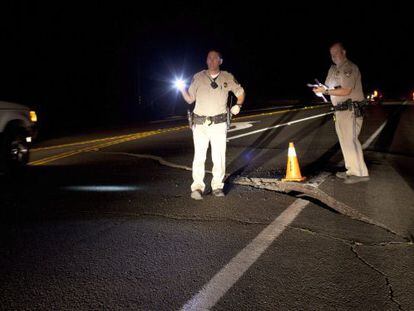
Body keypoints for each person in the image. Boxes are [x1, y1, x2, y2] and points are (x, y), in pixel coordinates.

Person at [179, 50, 245, 200]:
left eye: (215, 58)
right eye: (209, 58)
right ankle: (197, 187)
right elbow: (190, 99)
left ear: (220, 61)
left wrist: (238, 105)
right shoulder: (198, 77)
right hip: (200, 124)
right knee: (199, 156)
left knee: (219, 156)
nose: (212, 60)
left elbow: (240, 93)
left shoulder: (227, 77)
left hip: (219, 123)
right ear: (206, 60)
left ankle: (217, 186)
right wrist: (182, 89)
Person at [313, 42, 369, 184]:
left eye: (335, 53)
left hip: (350, 109)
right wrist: (320, 89)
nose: (333, 56)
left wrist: (325, 91)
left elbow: (346, 90)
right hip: (339, 111)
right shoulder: (332, 69)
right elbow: (326, 86)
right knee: (345, 141)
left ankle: (360, 173)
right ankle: (351, 170)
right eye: (331, 54)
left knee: (350, 140)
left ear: (343, 52)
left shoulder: (349, 68)